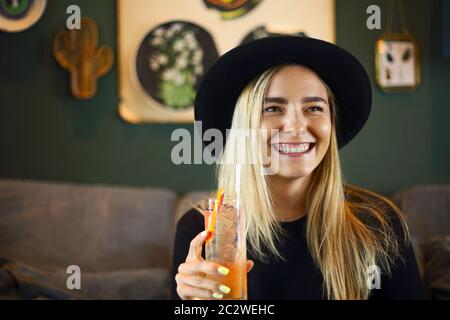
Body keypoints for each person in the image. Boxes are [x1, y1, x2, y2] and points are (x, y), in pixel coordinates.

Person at [171, 36, 426, 300]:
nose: (295, 127)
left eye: (314, 107)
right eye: (272, 108)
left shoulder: (380, 223)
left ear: (331, 123)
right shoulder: (201, 231)